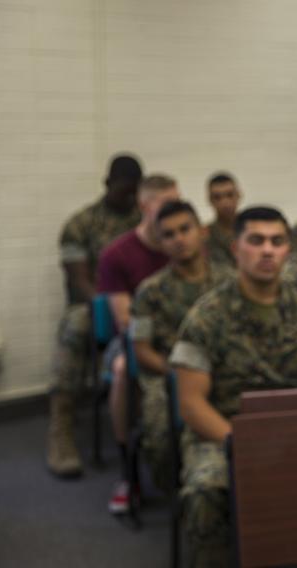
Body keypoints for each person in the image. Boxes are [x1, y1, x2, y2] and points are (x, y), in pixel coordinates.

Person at [170, 206, 297, 566]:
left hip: (294, 433)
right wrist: (242, 443)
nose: (267, 250)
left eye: (277, 242)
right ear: (236, 249)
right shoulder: (205, 316)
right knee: (207, 492)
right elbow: (191, 404)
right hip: (223, 434)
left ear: (288, 251)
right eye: (256, 241)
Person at [47, 153, 143, 479]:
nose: (129, 198)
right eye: (124, 190)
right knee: (75, 326)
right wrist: (111, 307)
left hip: (142, 305)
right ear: (107, 184)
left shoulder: (146, 222)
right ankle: (61, 428)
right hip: (93, 306)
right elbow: (80, 280)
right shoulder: (81, 224)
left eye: (135, 192)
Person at [129, 200, 235, 493]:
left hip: (227, 368)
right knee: (160, 423)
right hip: (168, 374)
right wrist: (175, 371)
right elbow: (141, 349)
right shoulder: (149, 291)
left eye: (185, 230)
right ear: (160, 243)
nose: (179, 239)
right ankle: (173, 490)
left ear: (202, 232)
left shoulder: (230, 279)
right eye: (169, 234)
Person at [97, 173, 180, 513]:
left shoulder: (182, 243)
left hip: (182, 335)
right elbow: (124, 319)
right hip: (136, 338)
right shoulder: (117, 253)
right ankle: (127, 473)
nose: (174, 212)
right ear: (146, 206)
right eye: (166, 203)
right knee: (120, 369)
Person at [203, 172, 241, 266]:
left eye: (229, 195)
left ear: (239, 195)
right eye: (217, 197)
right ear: (210, 200)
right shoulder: (204, 236)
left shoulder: (252, 230)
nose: (225, 202)